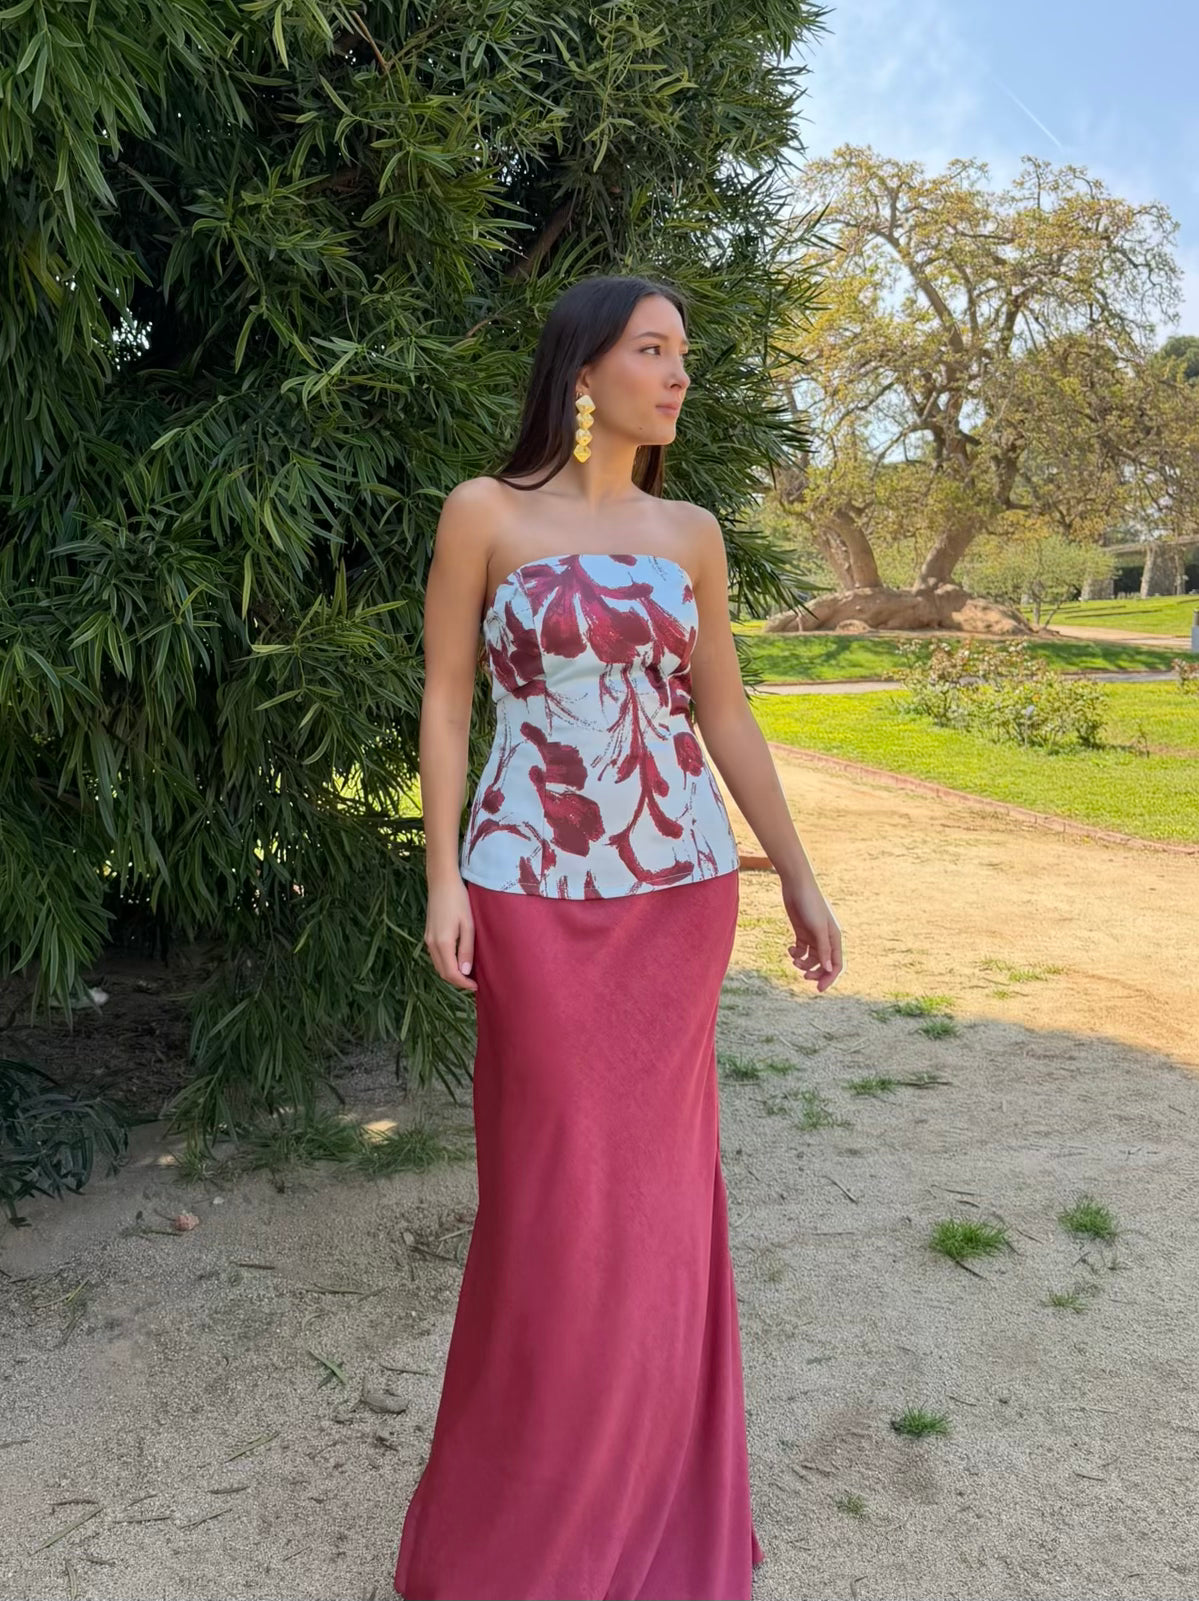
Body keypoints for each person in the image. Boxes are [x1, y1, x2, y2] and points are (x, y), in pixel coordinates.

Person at [393, 273, 843, 1601]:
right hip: (528, 892)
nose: (678, 373)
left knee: (657, 1210)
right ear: (582, 370)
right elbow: (445, 698)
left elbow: (725, 713)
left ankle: (655, 1514)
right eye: (653, 349)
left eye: (682, 352)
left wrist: (797, 873)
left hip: (677, 894)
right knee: (553, 1206)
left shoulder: (691, 533)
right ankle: (526, 1535)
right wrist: (441, 876)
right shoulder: (484, 512)